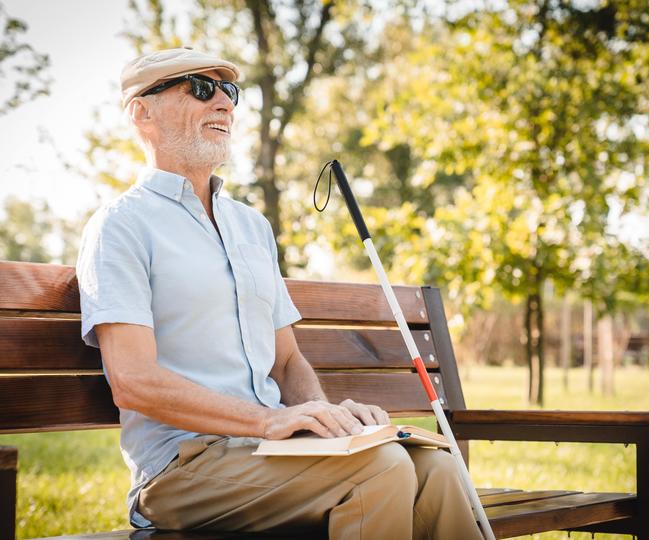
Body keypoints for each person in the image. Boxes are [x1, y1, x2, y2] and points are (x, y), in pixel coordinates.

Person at [76, 48, 482, 540]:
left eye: (230, 91)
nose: (224, 103)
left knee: (436, 469)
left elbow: (287, 364)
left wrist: (327, 420)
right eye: (201, 88)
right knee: (382, 468)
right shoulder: (121, 226)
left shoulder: (251, 226)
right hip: (181, 469)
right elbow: (134, 381)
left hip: (270, 453)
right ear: (143, 112)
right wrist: (268, 422)